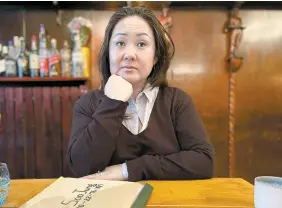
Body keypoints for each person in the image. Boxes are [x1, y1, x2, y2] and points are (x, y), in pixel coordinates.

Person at [64, 6, 214, 181]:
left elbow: (203, 162)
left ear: (156, 56)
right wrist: (113, 102)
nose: (129, 54)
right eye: (120, 43)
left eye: (141, 44)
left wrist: (127, 170)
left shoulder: (177, 101)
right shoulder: (87, 104)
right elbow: (81, 168)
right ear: (108, 53)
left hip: (168, 204)